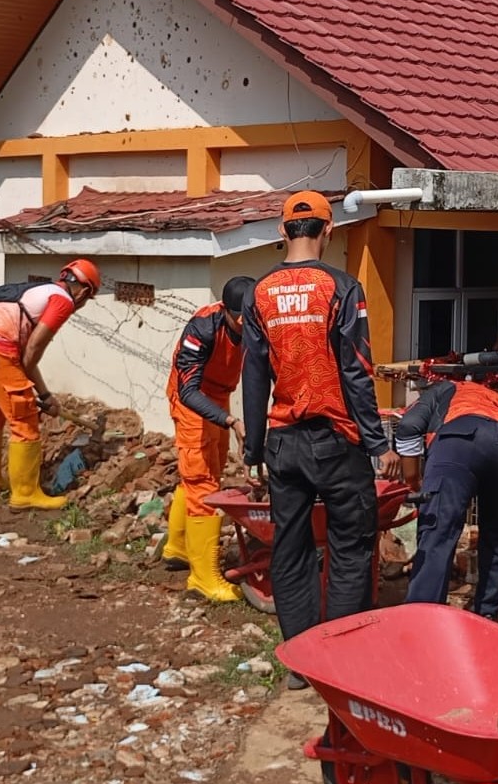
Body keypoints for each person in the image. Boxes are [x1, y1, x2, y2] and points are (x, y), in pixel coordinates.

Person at [242, 191, 401, 687]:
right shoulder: (343, 288)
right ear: (329, 232)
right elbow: (357, 371)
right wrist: (378, 444)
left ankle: (299, 662)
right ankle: (339, 658)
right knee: (350, 548)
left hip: (283, 443)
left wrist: (252, 450)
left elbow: (254, 374)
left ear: (282, 231)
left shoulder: (259, 294)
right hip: (338, 441)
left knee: (289, 549)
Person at [0, 259, 101, 512]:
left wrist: (44, 394)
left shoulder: (35, 292)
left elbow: (24, 358)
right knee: (24, 422)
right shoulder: (62, 301)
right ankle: (25, 493)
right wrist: (42, 394)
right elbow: (33, 350)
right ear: (84, 290)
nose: (83, 304)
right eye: (87, 298)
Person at [395, 375, 498, 621]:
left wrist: (414, 481)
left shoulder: (444, 390)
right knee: (497, 529)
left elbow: (408, 426)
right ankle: (487, 615)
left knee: (439, 528)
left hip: (460, 437)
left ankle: (422, 618)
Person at [161, 274, 255, 601]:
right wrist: (231, 421)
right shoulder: (202, 330)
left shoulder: (256, 323)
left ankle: (177, 548)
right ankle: (202, 579)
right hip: (192, 397)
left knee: (208, 474)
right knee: (201, 482)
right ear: (238, 316)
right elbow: (188, 390)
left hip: (219, 395)